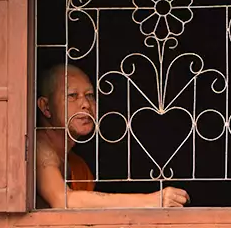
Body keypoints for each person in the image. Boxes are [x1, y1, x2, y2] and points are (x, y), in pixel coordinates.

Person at [36, 63, 190, 208]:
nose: (86, 105)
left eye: (89, 95)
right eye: (72, 95)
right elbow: (63, 200)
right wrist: (153, 200)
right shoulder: (38, 146)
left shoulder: (78, 165)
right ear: (46, 107)